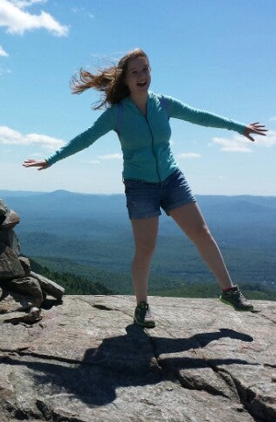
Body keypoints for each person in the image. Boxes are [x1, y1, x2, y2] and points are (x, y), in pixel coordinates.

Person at [23, 48, 267, 328]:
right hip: (140, 186)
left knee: (202, 233)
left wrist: (238, 127)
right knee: (146, 248)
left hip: (172, 178)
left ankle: (229, 292)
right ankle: (141, 306)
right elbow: (86, 138)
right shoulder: (117, 114)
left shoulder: (163, 103)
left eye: (146, 70)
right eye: (135, 72)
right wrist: (51, 159)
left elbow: (200, 116)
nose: (142, 76)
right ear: (125, 80)